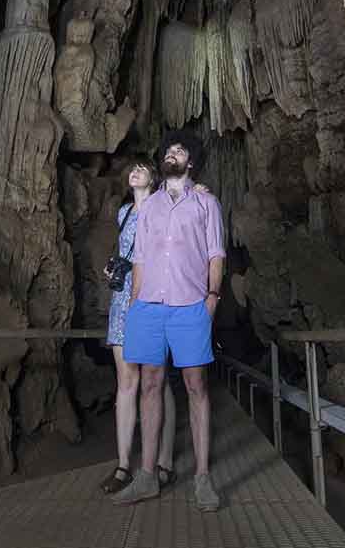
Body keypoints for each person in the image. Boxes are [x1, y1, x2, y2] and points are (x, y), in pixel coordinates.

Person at [112, 134, 225, 511]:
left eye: (179, 151)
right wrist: (135, 305)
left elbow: (216, 254)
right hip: (149, 305)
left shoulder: (206, 203)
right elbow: (140, 258)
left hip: (190, 305)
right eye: (167, 151)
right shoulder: (150, 207)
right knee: (149, 384)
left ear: (191, 162)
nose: (171, 154)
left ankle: (203, 478)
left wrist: (212, 298)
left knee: (196, 386)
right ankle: (146, 476)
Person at [99, 159, 178, 494]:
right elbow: (126, 252)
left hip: (153, 297)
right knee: (126, 381)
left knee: (157, 381)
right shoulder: (124, 213)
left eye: (143, 169)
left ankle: (164, 461)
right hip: (122, 302)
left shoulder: (164, 209)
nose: (135, 172)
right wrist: (114, 269)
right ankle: (122, 465)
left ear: (154, 178)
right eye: (133, 169)